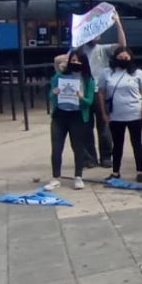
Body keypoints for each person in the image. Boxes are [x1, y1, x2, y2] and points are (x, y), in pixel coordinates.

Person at [79, 12, 127, 168]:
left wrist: (118, 24)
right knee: (86, 126)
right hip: (84, 92)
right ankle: (89, 157)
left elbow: (122, 46)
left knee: (104, 125)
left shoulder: (103, 49)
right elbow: (62, 61)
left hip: (100, 91)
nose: (96, 35)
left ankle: (106, 156)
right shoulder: (78, 51)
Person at [99, 47, 142, 182]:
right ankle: (116, 171)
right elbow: (101, 93)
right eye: (120, 58)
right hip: (115, 115)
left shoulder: (137, 73)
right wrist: (104, 112)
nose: (123, 61)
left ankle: (140, 171)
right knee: (117, 144)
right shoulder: (107, 73)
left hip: (135, 113)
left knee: (136, 142)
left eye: (126, 58)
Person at [47, 51, 96, 190]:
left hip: (77, 116)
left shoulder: (88, 80)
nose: (75, 63)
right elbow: (50, 95)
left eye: (78, 61)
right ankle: (56, 177)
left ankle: (78, 176)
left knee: (78, 148)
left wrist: (82, 97)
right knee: (56, 148)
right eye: (73, 60)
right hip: (60, 116)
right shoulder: (59, 77)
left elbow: (90, 101)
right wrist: (54, 93)